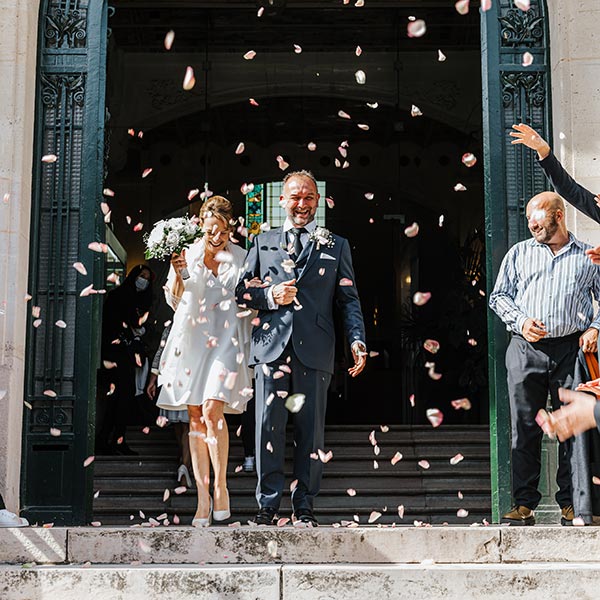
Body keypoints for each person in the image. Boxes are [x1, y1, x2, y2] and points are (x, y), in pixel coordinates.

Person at [235, 170, 367, 526]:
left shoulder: (336, 244)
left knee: (311, 430)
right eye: (295, 197)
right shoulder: (262, 243)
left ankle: (305, 504)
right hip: (270, 349)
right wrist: (269, 295)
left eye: (309, 197)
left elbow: (348, 300)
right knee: (267, 427)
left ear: (318, 202)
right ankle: (267, 505)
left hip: (315, 349)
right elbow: (241, 292)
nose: (302, 204)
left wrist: (357, 339)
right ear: (282, 201)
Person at [489, 191, 600, 526]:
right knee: (524, 427)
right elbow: (499, 296)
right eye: (527, 218)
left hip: (572, 350)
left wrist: (595, 326)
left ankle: (571, 504)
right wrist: (521, 321)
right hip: (525, 349)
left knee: (571, 427)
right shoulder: (519, 253)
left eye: (536, 216)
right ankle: (524, 504)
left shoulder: (588, 255)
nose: (531, 223)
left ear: (558, 215)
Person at [156, 196, 253, 527]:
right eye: (211, 230)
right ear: (201, 227)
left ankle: (221, 486)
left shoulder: (242, 258)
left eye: (222, 231)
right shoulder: (188, 254)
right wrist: (179, 271)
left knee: (213, 410)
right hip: (193, 341)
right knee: (195, 416)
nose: (216, 237)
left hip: (226, 341)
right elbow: (175, 300)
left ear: (230, 228)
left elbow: (250, 303)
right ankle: (202, 497)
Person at [97, 264, 154, 455]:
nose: (143, 280)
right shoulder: (118, 297)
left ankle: (114, 439)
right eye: (141, 276)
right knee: (118, 398)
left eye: (147, 277)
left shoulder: (140, 300)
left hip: (127, 357)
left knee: (123, 399)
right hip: (115, 355)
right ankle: (109, 440)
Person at [146, 323, 192, 488]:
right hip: (189, 377)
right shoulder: (197, 324)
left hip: (171, 378)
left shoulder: (171, 326)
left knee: (178, 424)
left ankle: (183, 460)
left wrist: (152, 380)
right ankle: (185, 464)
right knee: (187, 425)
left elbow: (160, 352)